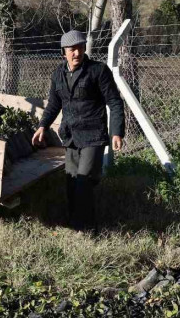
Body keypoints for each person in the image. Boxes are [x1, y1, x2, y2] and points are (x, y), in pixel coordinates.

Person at [31, 30, 125, 232]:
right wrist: (42, 126)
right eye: (73, 49)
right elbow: (54, 105)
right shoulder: (58, 74)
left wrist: (116, 132)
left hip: (93, 135)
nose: (77, 52)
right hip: (70, 136)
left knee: (84, 182)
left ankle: (89, 229)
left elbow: (115, 102)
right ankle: (75, 225)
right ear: (63, 52)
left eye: (81, 47)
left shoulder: (98, 71)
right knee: (72, 183)